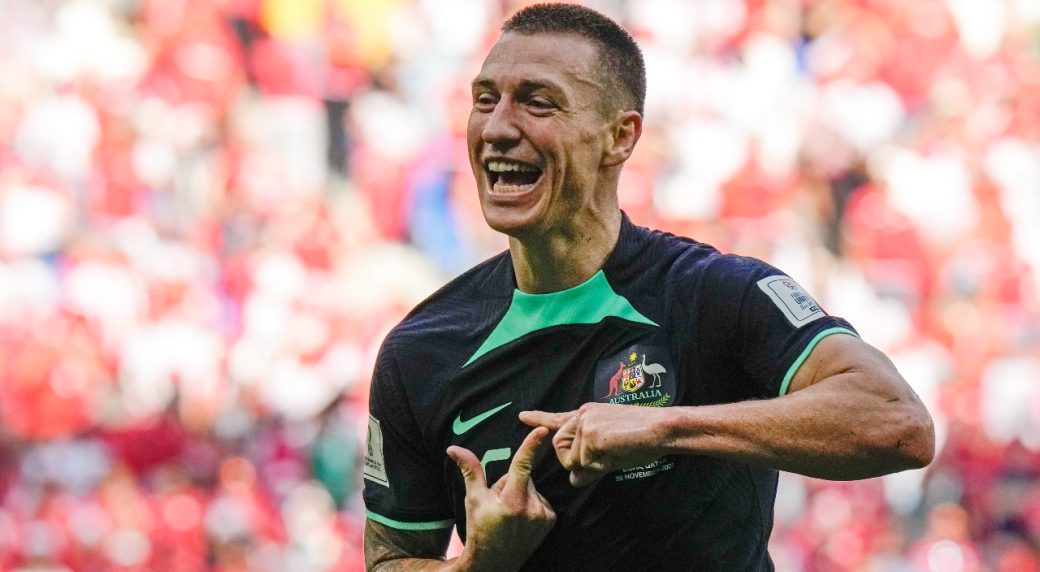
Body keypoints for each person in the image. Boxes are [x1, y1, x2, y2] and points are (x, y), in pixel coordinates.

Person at [362, 4, 935, 570]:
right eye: (486, 100)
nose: (496, 128)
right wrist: (476, 565)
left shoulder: (718, 294)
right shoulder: (421, 349)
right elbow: (389, 559)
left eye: (538, 102)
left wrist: (662, 428)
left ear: (620, 137)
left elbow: (898, 422)